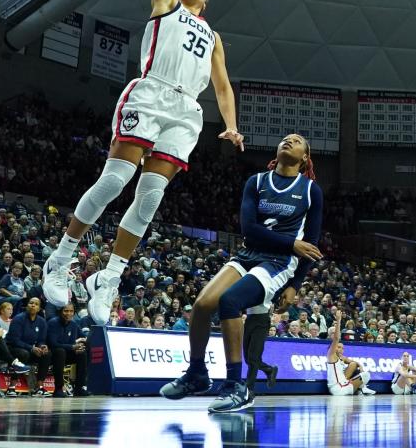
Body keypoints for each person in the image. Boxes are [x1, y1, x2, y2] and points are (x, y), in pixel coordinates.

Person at [42, 0, 245, 322]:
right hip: (150, 94)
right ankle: (60, 258)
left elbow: (223, 85)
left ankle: (108, 276)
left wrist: (231, 126)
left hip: (186, 112)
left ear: (206, 4)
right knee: (115, 181)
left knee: (150, 196)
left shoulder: (212, 36)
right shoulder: (165, 5)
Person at [160, 134, 323, 413]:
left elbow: (310, 247)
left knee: (230, 301)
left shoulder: (310, 190)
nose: (288, 141)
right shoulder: (257, 181)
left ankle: (237, 386)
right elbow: (248, 229)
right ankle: (197, 373)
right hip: (249, 254)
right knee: (201, 305)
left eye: (296, 141)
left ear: (305, 157)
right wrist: (290, 241)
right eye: (285, 139)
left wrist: (295, 285)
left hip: (280, 262)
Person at [323, 310, 374, 396]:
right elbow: (336, 338)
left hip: (342, 386)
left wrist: (360, 366)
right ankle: (361, 389)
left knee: (360, 370)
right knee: (366, 375)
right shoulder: (331, 355)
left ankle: (360, 390)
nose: (340, 349)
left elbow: (353, 363)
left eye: (342, 348)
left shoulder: (340, 357)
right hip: (339, 388)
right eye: (338, 347)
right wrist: (338, 320)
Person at [6, 297, 51, 395]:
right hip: (13, 349)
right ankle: (12, 387)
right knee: (23, 353)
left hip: (31, 349)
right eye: (31, 303)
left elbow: (41, 340)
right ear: (27, 306)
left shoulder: (42, 321)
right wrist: (31, 348)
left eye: (36, 304)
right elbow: (14, 340)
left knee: (46, 354)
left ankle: (39, 387)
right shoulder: (18, 319)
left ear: (39, 308)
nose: (33, 305)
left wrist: (42, 346)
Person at [48, 303, 89, 398]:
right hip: (53, 354)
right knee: (60, 351)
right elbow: (53, 344)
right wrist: (72, 347)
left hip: (68, 353)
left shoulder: (74, 324)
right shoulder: (53, 323)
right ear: (60, 312)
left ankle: (79, 387)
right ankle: (58, 388)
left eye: (71, 311)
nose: (69, 314)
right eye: (66, 311)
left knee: (82, 353)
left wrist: (82, 344)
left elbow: (84, 336)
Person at [243, 305, 278, 392]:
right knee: (247, 359)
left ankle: (248, 389)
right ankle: (269, 370)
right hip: (249, 318)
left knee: (253, 358)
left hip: (261, 318)